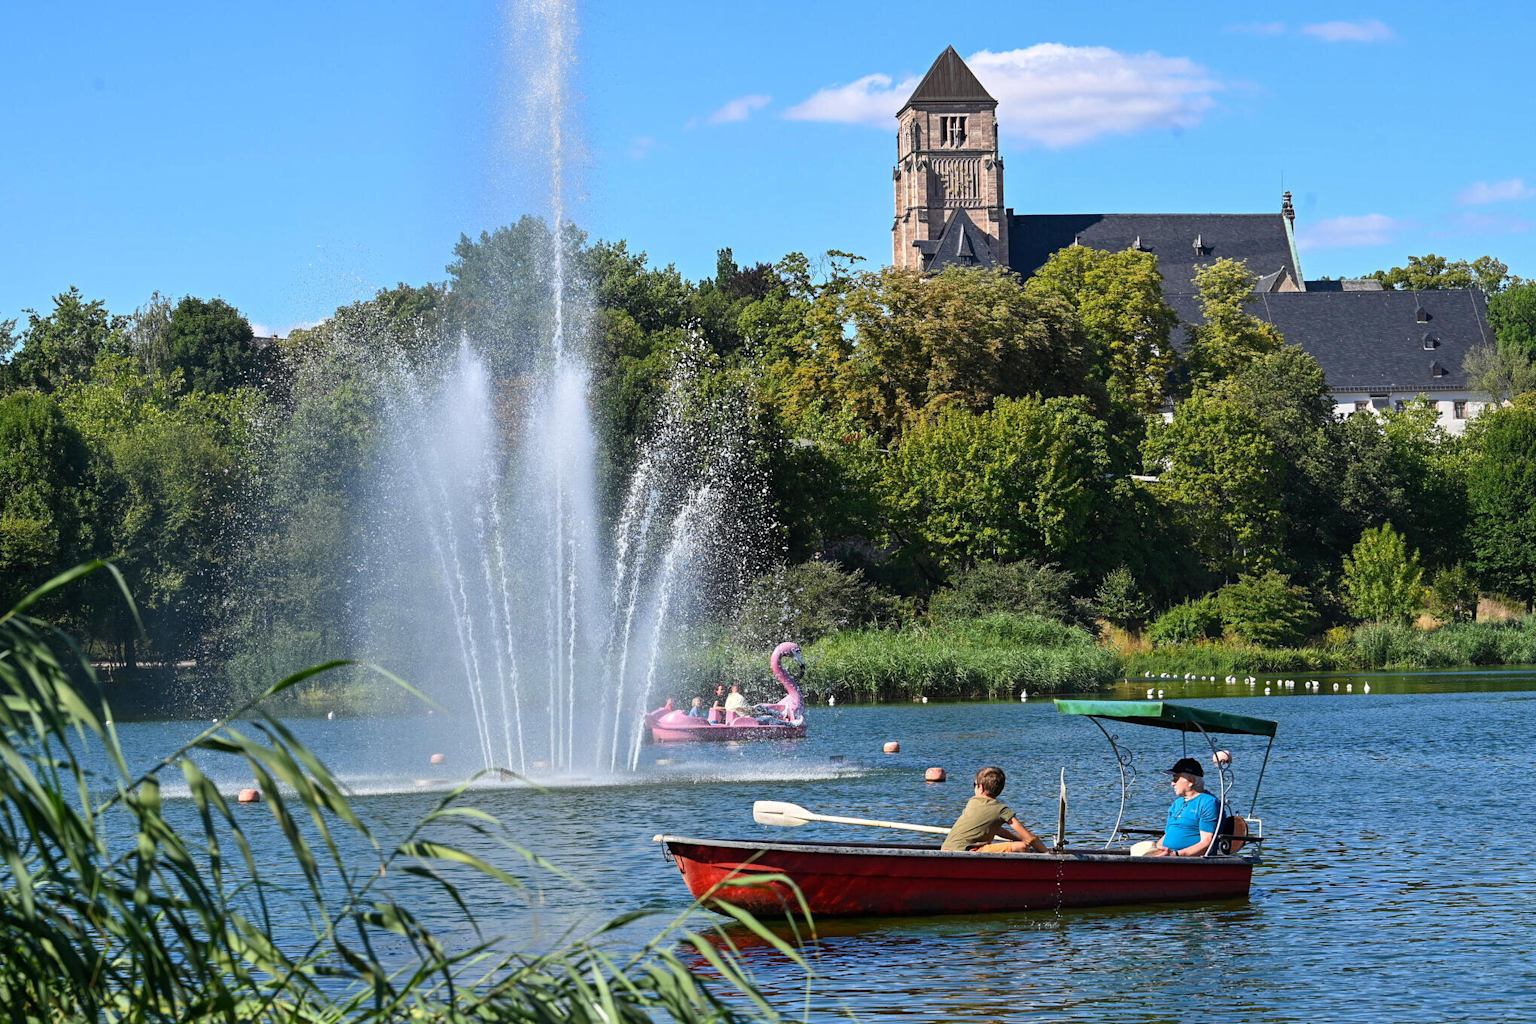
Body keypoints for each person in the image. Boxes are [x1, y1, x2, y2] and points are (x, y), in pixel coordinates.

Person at [942, 766, 1048, 853]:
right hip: (967, 852)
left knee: (1020, 843)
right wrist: (1047, 854)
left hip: (946, 850)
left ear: (981, 788)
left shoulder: (973, 802)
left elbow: (994, 828)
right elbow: (1030, 838)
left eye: (974, 785)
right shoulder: (1001, 810)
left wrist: (1019, 838)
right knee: (1022, 847)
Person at [1146, 757, 1221, 857]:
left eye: (1176, 779)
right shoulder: (1177, 804)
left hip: (1188, 862)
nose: (1172, 783)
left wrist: (1176, 855)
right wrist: (1155, 851)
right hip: (1167, 858)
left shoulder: (1208, 803)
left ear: (1190, 780)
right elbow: (1169, 834)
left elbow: (1207, 844)